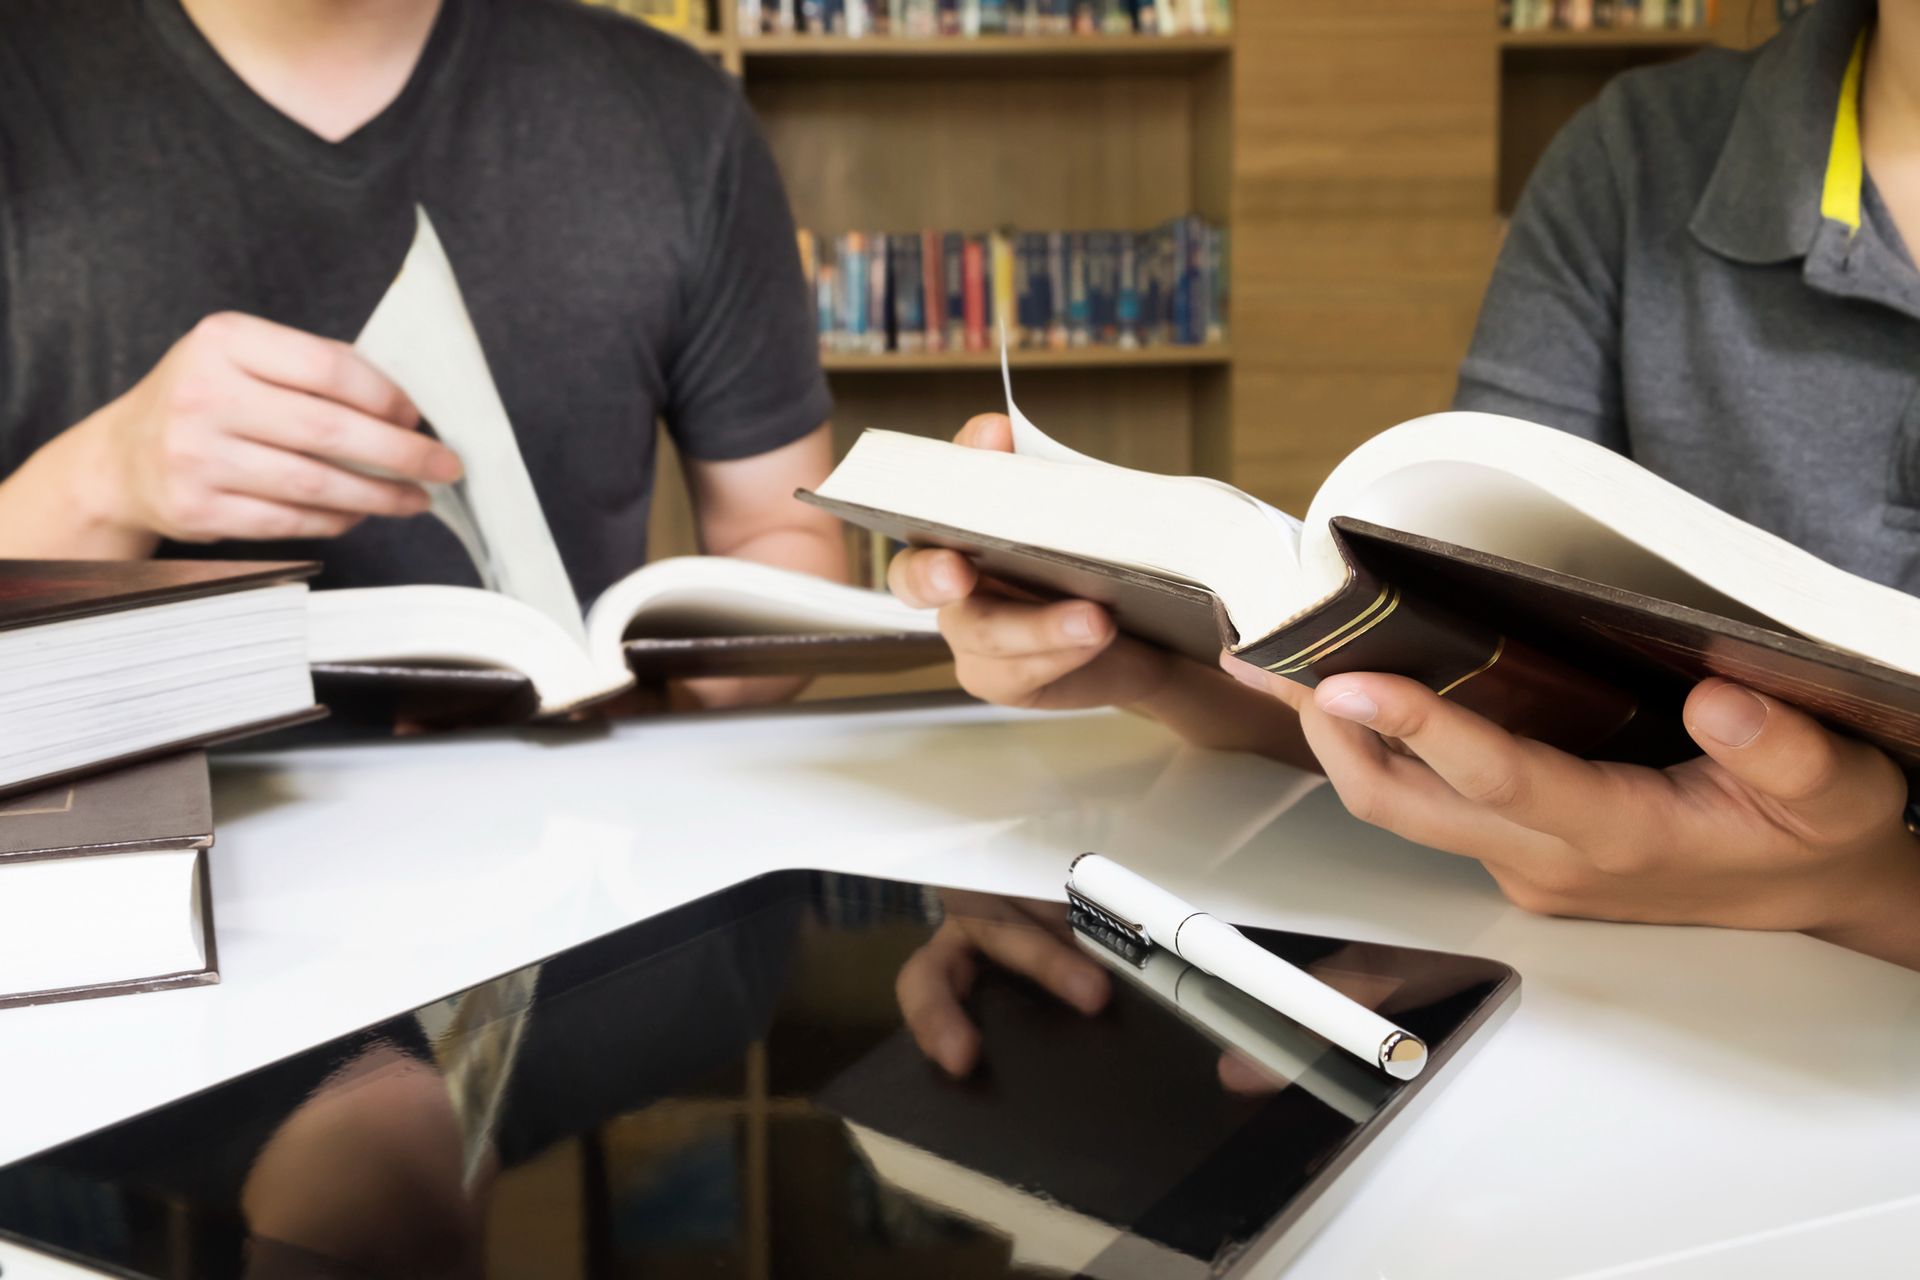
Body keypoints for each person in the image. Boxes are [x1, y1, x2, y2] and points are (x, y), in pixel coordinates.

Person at [889, 0, 1920, 971]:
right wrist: (1151, 662)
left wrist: (1876, 897)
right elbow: (1475, 689)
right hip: (1629, 997)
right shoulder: (1642, 152)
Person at [0, 0, 843, 707]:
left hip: (567, 825)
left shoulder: (677, 112)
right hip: (113, 836)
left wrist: (657, 697)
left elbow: (783, 533)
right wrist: (102, 482)